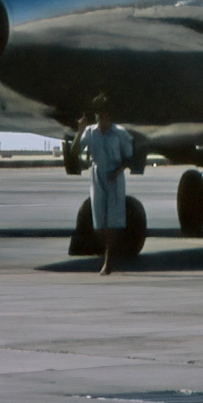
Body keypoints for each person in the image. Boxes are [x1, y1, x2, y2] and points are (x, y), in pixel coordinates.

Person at [71, 94, 134, 276]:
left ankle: (109, 261)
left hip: (115, 176)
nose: (100, 117)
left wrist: (117, 171)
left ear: (109, 115)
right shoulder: (90, 132)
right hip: (98, 175)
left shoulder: (119, 133)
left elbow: (129, 157)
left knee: (113, 220)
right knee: (99, 222)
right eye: (98, 114)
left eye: (103, 114)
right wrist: (79, 131)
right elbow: (76, 151)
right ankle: (108, 254)